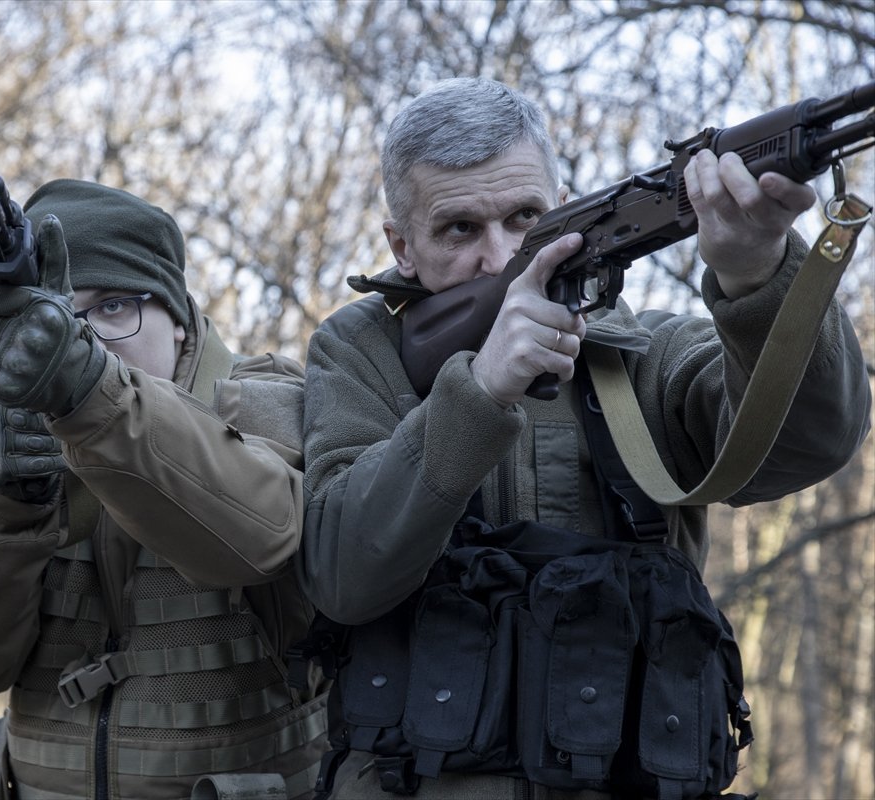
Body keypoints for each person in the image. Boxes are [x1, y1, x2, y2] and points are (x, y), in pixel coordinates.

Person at [295, 78, 870, 799]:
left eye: (525, 217)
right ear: (401, 246)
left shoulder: (649, 352)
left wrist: (757, 274)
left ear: (562, 203)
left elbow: (812, 443)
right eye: (459, 230)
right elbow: (345, 573)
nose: (501, 258)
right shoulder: (363, 354)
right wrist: (481, 392)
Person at [0, 180, 328, 800]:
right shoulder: (1, 453)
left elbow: (262, 540)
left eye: (112, 308)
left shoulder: (268, 407)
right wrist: (6, 509)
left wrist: (97, 405)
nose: (83, 340)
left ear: (178, 320)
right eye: (59, 318)